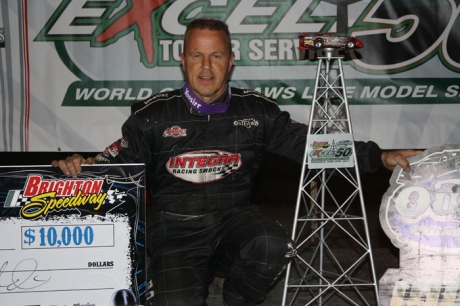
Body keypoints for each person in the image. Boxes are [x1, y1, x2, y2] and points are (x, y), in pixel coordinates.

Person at [53, 18, 419, 306]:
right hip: (177, 233)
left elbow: (315, 147)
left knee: (273, 244)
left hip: (234, 222)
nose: (206, 66)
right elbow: (117, 163)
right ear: (183, 60)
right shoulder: (153, 116)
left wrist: (378, 156)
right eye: (197, 55)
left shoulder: (257, 112)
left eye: (216, 56)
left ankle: (238, 299)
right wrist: (81, 165)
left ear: (231, 60)